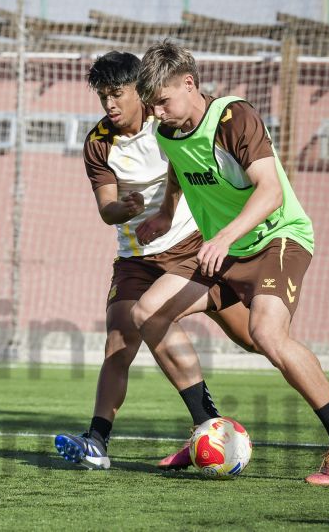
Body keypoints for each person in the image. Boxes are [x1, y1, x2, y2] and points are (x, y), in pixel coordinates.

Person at [131, 41, 329, 486]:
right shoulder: (168, 132)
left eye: (162, 101)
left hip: (277, 238)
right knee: (147, 313)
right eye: (151, 105)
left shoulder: (233, 117)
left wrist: (223, 236)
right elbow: (180, 168)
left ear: (189, 84)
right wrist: (166, 211)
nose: (156, 113)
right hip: (226, 250)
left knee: (267, 334)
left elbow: (270, 191)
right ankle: (208, 428)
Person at [54, 51, 257, 470]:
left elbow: (193, 167)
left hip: (192, 248)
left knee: (257, 338)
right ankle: (98, 441)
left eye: (117, 93)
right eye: (102, 96)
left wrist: (180, 214)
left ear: (138, 90)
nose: (109, 104)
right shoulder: (98, 142)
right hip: (136, 260)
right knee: (119, 342)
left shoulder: (166, 118)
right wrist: (123, 209)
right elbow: (106, 209)